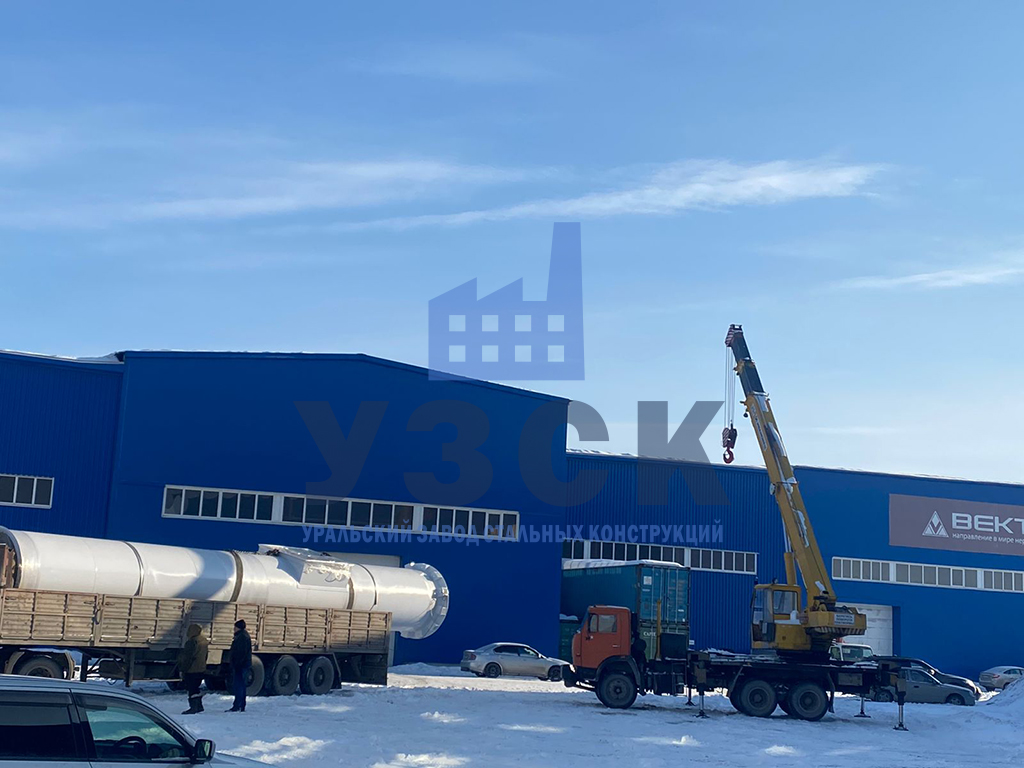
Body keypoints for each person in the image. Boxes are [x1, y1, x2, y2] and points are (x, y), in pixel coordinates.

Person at [178, 624, 209, 715]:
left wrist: (183, 669)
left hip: (192, 669)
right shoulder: (204, 641)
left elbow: (188, 657)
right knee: (196, 687)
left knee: (191, 688)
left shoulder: (192, 642)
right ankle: (199, 706)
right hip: (201, 668)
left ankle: (194, 707)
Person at [228, 619, 253, 712]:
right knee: (241, 685)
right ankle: (240, 705)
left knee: (239, 685)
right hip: (242, 664)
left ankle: (238, 705)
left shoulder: (241, 637)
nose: (234, 629)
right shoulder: (243, 636)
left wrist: (236, 663)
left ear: (238, 627)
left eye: (235, 627)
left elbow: (240, 652)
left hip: (240, 665)